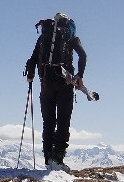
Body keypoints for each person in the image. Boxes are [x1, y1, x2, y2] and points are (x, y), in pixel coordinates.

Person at [24, 13, 87, 170]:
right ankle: (58, 159)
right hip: (65, 83)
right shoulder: (71, 37)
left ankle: (48, 160)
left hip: (46, 84)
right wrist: (80, 76)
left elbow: (32, 60)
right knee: (63, 120)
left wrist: (31, 76)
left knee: (48, 122)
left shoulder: (44, 37)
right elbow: (83, 55)